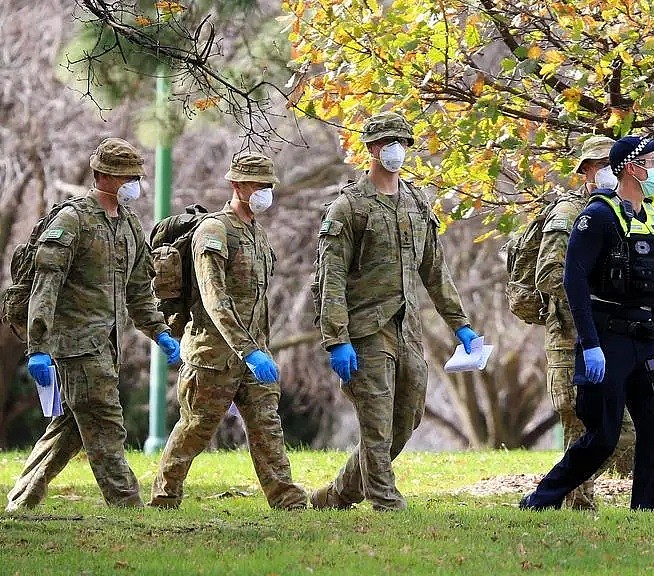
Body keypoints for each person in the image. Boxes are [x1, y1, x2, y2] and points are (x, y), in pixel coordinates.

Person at [311, 111, 477, 511]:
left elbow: (435, 269)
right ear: (370, 149)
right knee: (376, 421)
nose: (396, 150)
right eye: (387, 142)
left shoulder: (417, 203)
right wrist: (337, 339)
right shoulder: (348, 208)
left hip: (407, 329)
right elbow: (329, 278)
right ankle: (386, 501)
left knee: (406, 418)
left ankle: (338, 494)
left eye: (401, 142)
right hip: (365, 331)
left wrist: (461, 325)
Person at [6, 138, 181, 512]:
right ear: (102, 175)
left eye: (136, 175)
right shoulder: (72, 221)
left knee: (69, 429)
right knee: (105, 423)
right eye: (126, 176)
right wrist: (38, 347)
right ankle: (127, 506)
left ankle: (21, 502)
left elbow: (138, 288)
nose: (134, 183)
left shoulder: (129, 223)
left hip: (107, 344)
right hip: (74, 344)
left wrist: (160, 331)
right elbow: (45, 286)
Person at [520, 134, 654, 511]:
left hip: (646, 338)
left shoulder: (651, 220)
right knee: (604, 435)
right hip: (608, 338)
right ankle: (542, 499)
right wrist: (590, 345)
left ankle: (645, 510)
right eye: (652, 160)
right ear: (632, 167)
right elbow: (572, 279)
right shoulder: (596, 216)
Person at [149, 153, 308, 511]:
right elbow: (213, 298)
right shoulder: (214, 231)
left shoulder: (256, 233)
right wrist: (246, 349)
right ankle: (164, 496)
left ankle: (288, 500)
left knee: (267, 426)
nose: (265, 191)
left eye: (268, 185)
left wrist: (257, 350)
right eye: (258, 184)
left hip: (254, 356)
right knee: (195, 430)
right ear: (237, 185)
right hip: (212, 357)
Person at [535, 135, 636, 510]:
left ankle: (564, 494)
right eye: (600, 165)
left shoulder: (621, 210)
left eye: (613, 163)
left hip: (607, 335)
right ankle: (575, 501)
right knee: (583, 423)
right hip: (569, 336)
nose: (609, 171)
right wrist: (591, 300)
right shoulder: (568, 215)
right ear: (586, 172)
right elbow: (548, 276)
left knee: (621, 430)